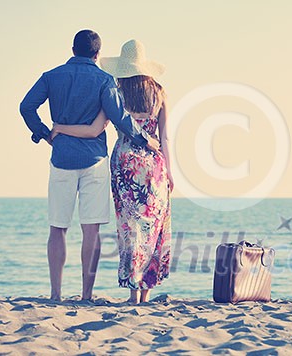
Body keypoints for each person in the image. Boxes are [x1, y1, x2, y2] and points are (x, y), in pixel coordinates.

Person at [19, 30, 160, 301]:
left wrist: (44, 133)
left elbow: (26, 106)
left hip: (61, 159)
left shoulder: (51, 76)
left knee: (57, 229)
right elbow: (120, 118)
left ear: (72, 50)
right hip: (94, 162)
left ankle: (55, 294)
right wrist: (145, 140)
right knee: (91, 231)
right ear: (97, 54)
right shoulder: (104, 80)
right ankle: (86, 294)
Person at [51, 39, 173, 304]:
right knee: (152, 228)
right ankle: (146, 293)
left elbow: (94, 130)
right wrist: (171, 172)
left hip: (125, 166)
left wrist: (61, 128)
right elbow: (164, 138)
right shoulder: (160, 92)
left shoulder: (116, 91)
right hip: (155, 167)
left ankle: (133, 294)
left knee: (130, 229)